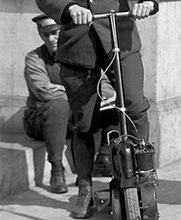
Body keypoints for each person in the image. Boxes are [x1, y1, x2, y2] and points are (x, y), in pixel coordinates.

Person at [35, 0, 159, 218]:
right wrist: (68, 7)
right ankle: (85, 186)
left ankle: (144, 174)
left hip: (119, 37)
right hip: (79, 44)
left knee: (134, 104)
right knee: (84, 122)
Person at [23, 15, 116, 195]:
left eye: (55, 33)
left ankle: (104, 157)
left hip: (73, 119)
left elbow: (105, 87)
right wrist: (79, 92)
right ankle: (57, 169)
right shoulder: (35, 58)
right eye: (46, 35)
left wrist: (84, 93)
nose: (51, 39)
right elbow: (43, 90)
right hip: (41, 120)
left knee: (113, 106)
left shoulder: (81, 56)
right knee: (58, 106)